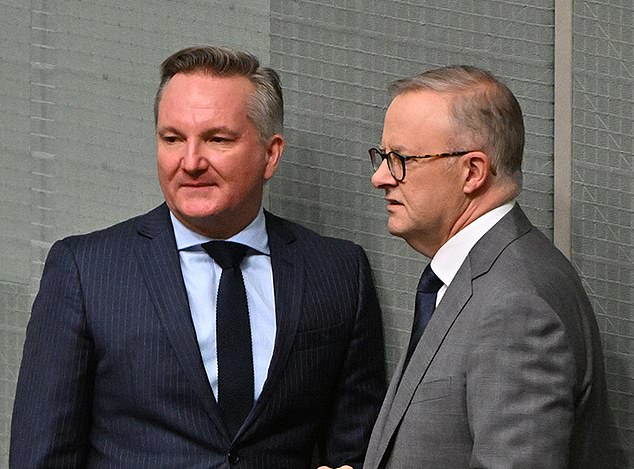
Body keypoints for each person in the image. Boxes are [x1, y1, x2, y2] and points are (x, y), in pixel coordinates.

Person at [10, 46, 386, 468]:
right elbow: (41, 456)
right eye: (172, 139)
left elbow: (357, 453)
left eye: (217, 139)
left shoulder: (337, 272)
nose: (190, 162)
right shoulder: (85, 270)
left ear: (270, 153)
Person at [358, 66, 611, 468]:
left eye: (400, 159)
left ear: (472, 172)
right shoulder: (484, 276)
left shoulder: (516, 306)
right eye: (383, 156)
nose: (380, 177)